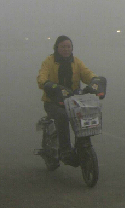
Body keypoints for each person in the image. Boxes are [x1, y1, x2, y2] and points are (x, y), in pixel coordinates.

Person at [37, 36, 96, 164]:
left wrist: (95, 81)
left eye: (68, 46)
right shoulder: (49, 61)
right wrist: (49, 85)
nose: (66, 49)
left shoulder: (76, 62)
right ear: (56, 47)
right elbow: (42, 77)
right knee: (62, 116)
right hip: (53, 102)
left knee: (86, 114)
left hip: (73, 101)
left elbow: (87, 74)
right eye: (63, 46)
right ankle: (65, 151)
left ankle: (83, 143)